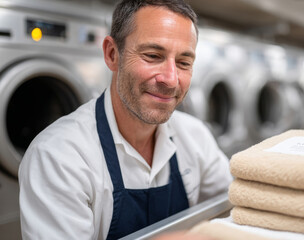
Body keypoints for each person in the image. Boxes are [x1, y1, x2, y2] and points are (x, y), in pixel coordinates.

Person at [18, 0, 233, 239]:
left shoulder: (195, 136)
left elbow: (234, 210)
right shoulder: (58, 157)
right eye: (152, 55)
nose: (171, 79)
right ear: (112, 54)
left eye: (183, 63)